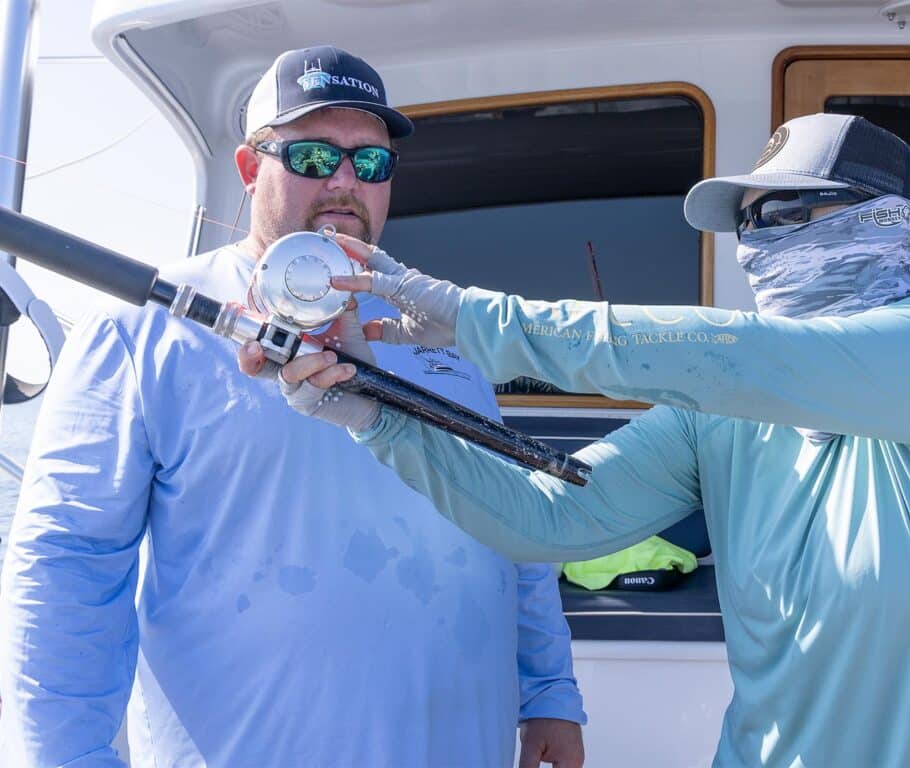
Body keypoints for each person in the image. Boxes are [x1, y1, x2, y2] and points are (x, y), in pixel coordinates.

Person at [243, 112, 910, 767]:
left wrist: (478, 318)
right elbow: (544, 515)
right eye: (749, 221)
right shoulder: (719, 410)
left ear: (899, 234)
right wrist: (374, 415)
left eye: (790, 214)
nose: (758, 241)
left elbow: (751, 354)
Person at [0, 45, 585, 768]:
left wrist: (550, 691)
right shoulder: (138, 334)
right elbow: (68, 567)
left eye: (370, 164)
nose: (345, 180)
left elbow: (511, 521)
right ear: (251, 171)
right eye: (312, 156)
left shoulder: (443, 331)